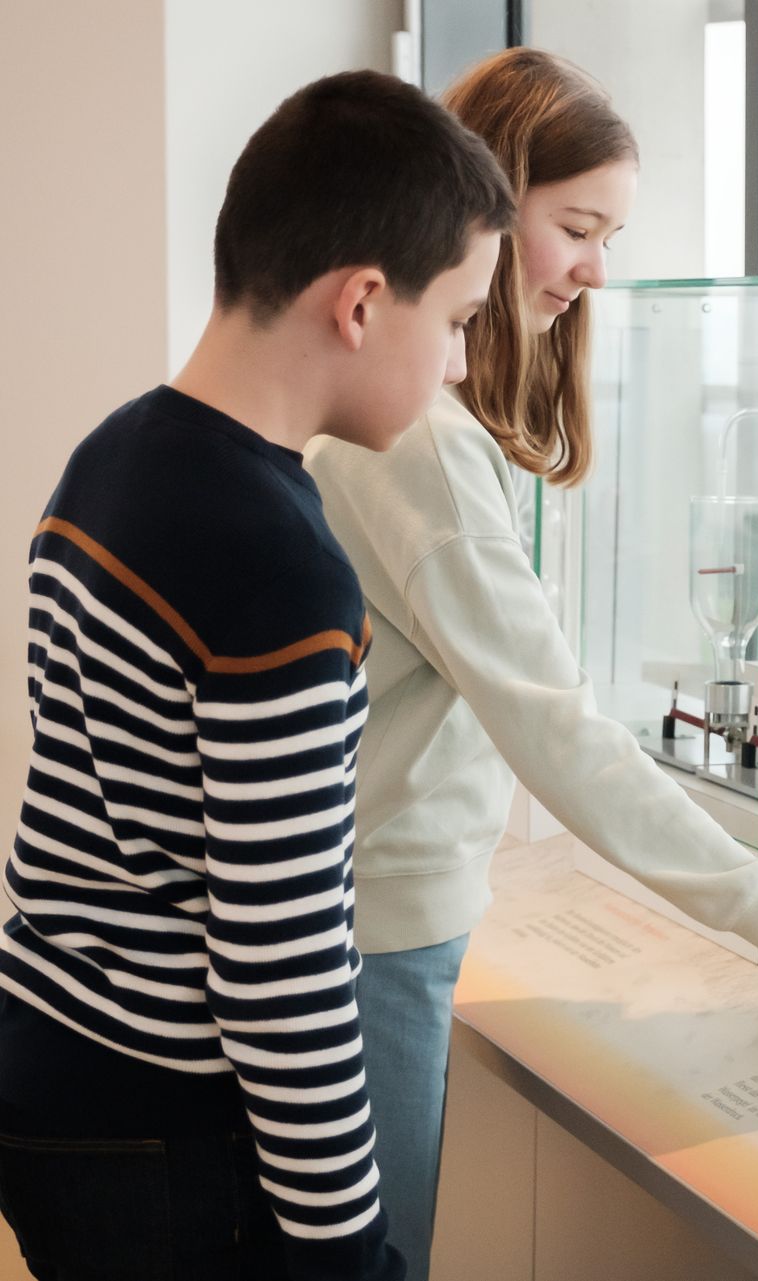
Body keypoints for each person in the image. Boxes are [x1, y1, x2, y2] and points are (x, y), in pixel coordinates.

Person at [306, 48, 758, 1281]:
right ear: (488, 210)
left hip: (390, 926)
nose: (598, 270)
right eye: (576, 228)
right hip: (376, 946)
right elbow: (557, 732)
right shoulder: (424, 452)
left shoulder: (450, 440)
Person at [0, 70, 514, 1281]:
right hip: (162, 1121)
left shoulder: (115, 453)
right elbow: (279, 978)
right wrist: (347, 1254)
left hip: (45, 1054)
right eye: (456, 321)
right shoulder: (279, 563)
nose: (455, 366)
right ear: (362, 303)